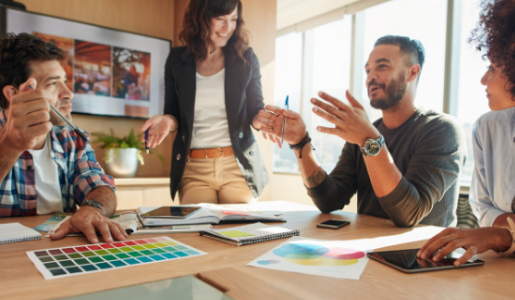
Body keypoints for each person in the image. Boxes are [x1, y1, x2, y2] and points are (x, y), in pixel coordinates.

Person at [258, 35, 466, 227]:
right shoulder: (365, 133)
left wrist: (369, 140)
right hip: (368, 252)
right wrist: (300, 142)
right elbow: (330, 199)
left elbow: (409, 213)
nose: (371, 77)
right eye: (367, 70)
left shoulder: (443, 130)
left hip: (423, 260)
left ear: (412, 72)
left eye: (382, 66)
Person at [417, 0, 515, 268]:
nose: (483, 79)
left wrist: (498, 235)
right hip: (504, 278)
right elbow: (485, 209)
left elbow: (494, 225)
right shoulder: (488, 129)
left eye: (493, 68)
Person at [0, 32, 127, 244]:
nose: (69, 93)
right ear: (14, 95)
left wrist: (91, 209)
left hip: (59, 249)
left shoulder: (72, 138)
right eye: (52, 84)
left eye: (65, 81)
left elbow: (99, 186)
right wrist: (11, 145)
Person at [141, 0, 270, 204]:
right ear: (201, 18)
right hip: (194, 169)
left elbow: (256, 109)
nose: (228, 28)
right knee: (196, 233)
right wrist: (167, 120)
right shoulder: (177, 59)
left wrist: (265, 121)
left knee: (240, 233)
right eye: (220, 19)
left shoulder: (246, 58)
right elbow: (173, 112)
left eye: (233, 19)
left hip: (237, 166)